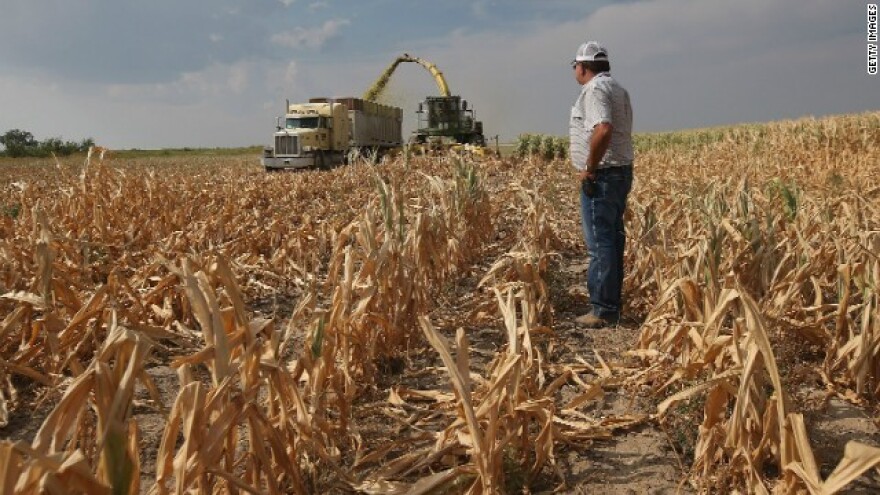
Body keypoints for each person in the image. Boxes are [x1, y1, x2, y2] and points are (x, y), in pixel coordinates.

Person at [569, 41, 634, 328]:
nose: (575, 71)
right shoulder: (617, 88)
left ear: (582, 67)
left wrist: (590, 168)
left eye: (575, 66)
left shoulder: (594, 90)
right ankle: (611, 305)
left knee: (600, 243)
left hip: (603, 175)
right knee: (613, 239)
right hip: (620, 172)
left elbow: (603, 128)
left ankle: (603, 310)